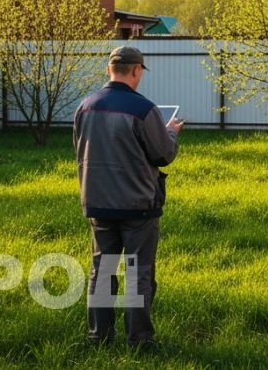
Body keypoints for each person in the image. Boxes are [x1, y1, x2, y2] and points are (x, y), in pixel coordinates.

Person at [73, 46, 183, 349]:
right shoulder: (144, 110)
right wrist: (170, 132)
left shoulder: (85, 107)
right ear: (136, 71)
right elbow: (163, 154)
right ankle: (139, 341)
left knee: (102, 271)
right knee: (138, 274)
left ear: (109, 69)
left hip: (97, 204)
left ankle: (99, 338)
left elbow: (80, 149)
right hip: (138, 207)